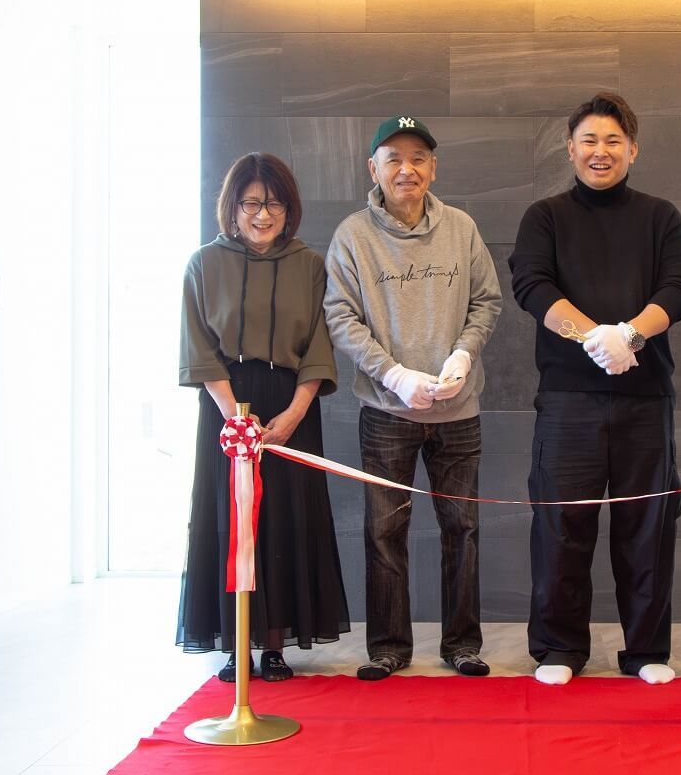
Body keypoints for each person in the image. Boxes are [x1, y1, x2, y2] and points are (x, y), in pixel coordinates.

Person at [508, 92, 681, 687]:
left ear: (633, 149)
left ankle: (646, 650)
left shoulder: (661, 216)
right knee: (561, 527)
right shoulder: (545, 216)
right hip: (568, 399)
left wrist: (630, 336)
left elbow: (678, 286)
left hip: (646, 398)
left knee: (648, 527)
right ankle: (559, 648)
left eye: (613, 140)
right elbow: (531, 285)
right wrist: (594, 338)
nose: (601, 151)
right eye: (589, 140)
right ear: (570, 148)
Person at [324, 116, 502, 681]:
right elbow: (340, 316)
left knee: (463, 528)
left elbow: (486, 301)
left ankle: (463, 644)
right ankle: (388, 647)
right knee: (384, 531)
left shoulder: (461, 228)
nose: (408, 168)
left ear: (433, 167)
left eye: (419, 157)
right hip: (386, 412)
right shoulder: (353, 236)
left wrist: (463, 356)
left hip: (459, 410)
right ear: (373, 169)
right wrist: (394, 375)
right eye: (394, 158)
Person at [176, 152, 349, 682]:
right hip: (227, 406)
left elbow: (319, 347)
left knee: (286, 520)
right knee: (233, 521)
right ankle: (237, 644)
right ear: (232, 207)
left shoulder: (310, 265)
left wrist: (295, 413)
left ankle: (275, 645)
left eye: (274, 204)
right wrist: (236, 418)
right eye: (251, 203)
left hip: (291, 404)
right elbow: (200, 348)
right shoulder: (203, 264)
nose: (263, 214)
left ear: (289, 209)